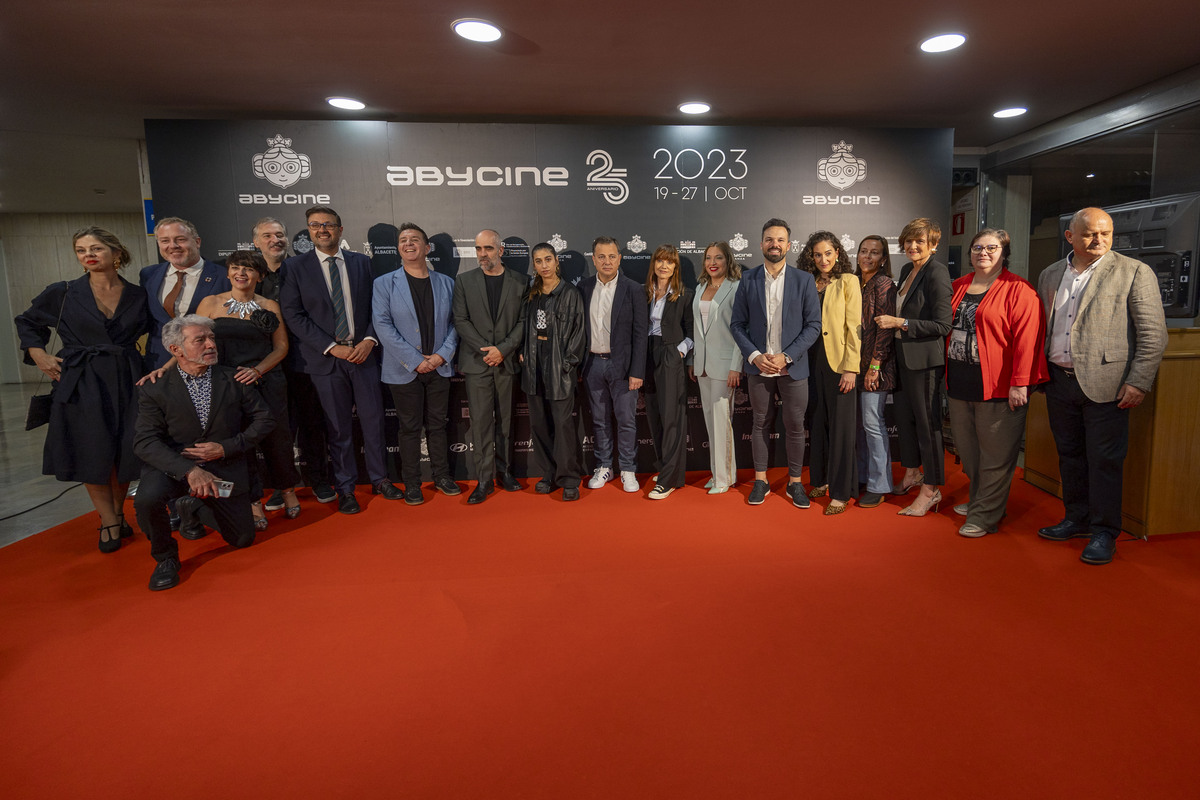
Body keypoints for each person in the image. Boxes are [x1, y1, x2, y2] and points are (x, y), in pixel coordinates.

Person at [1035, 207, 1167, 564]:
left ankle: (1104, 532)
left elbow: (1154, 334)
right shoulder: (1050, 274)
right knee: (1070, 457)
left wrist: (1138, 381)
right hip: (1059, 382)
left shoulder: (1133, 272)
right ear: (1070, 236)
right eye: (1091, 233)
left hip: (1108, 386)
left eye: (1106, 234)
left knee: (1105, 461)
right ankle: (1076, 518)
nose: (1099, 240)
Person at [15, 227, 151, 552]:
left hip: (128, 376)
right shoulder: (62, 292)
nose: (87, 254)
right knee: (92, 450)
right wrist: (39, 354)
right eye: (80, 250)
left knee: (124, 451)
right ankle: (108, 521)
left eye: (96, 248)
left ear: (116, 254)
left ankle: (118, 514)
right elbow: (27, 321)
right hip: (79, 378)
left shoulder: (138, 294)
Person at [133, 315, 274, 591]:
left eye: (211, 338)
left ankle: (192, 506)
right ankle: (165, 558)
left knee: (243, 538)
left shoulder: (234, 377)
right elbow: (145, 442)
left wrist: (227, 447)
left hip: (223, 464)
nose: (211, 344)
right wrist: (189, 471)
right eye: (200, 340)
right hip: (175, 467)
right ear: (176, 350)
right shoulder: (155, 387)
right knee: (147, 499)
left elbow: (265, 420)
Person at [279, 205, 402, 514]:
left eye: (329, 225)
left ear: (340, 230)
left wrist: (370, 339)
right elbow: (293, 315)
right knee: (338, 428)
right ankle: (345, 487)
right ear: (309, 231)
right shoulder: (295, 267)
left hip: (363, 355)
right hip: (325, 360)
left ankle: (380, 478)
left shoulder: (363, 263)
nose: (323, 230)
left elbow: (379, 307)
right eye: (316, 225)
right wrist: (331, 347)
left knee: (374, 422)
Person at [947, 229, 1049, 537]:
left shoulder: (1020, 290)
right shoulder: (959, 285)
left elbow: (1028, 341)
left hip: (999, 386)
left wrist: (1020, 383)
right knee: (970, 450)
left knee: (996, 456)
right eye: (978, 247)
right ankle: (981, 499)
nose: (984, 253)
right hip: (960, 383)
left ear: (1004, 253)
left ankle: (985, 515)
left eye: (992, 248)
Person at [194, 251, 301, 527]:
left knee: (278, 439)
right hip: (227, 385)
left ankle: (287, 490)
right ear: (228, 272)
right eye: (236, 267)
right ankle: (253, 502)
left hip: (266, 380)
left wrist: (257, 371)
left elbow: (281, 348)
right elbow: (192, 342)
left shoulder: (270, 305)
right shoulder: (209, 303)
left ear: (260, 276)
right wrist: (168, 367)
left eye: (249, 269)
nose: (242, 273)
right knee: (240, 445)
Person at [730, 218, 822, 508]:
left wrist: (786, 356)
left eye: (780, 240)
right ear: (761, 244)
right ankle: (761, 480)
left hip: (793, 367)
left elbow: (814, 326)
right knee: (759, 423)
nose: (775, 244)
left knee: (795, 425)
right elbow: (736, 325)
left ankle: (795, 483)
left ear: (789, 245)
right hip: (759, 366)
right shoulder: (748, 279)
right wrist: (756, 357)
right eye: (770, 239)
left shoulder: (804, 279)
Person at [373, 222, 461, 505]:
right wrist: (414, 360)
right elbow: (382, 325)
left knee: (437, 425)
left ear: (427, 248)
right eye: (403, 240)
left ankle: (442, 476)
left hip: (439, 366)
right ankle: (412, 483)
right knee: (409, 428)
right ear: (398, 248)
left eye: (414, 239)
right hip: (403, 369)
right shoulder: (384, 283)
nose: (408, 244)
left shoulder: (447, 283)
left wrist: (440, 356)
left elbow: (456, 324)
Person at [252, 217, 335, 507]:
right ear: (256, 242)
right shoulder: (249, 276)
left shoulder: (304, 268)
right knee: (276, 429)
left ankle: (319, 480)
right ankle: (282, 484)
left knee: (313, 424)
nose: (275, 240)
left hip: (305, 360)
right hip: (267, 365)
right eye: (267, 235)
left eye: (279, 235)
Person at [875, 217, 953, 516]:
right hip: (902, 358)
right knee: (905, 420)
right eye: (909, 241)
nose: (913, 246)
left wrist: (901, 322)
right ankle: (911, 472)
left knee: (928, 426)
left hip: (924, 363)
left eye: (920, 241)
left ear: (933, 245)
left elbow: (943, 325)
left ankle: (931, 488)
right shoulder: (908, 270)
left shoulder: (937, 272)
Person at [451, 229, 527, 504]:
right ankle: (484, 479)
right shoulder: (464, 281)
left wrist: (503, 350)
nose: (483, 254)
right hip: (477, 362)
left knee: (506, 421)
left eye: (488, 249)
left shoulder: (521, 282)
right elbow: (460, 320)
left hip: (506, 363)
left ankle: (505, 472)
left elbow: (523, 322)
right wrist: (487, 350)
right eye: (479, 249)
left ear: (500, 250)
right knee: (482, 424)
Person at [798, 231, 862, 515]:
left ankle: (840, 492)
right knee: (818, 421)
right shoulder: (805, 282)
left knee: (841, 428)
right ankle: (821, 479)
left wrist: (851, 367)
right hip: (809, 362)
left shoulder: (849, 281)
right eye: (817, 254)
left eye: (828, 253)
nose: (823, 259)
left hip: (839, 363)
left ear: (838, 252)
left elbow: (854, 328)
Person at [580, 236, 649, 493]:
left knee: (627, 420)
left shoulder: (633, 289)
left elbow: (640, 334)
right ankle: (604, 466)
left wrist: (636, 371)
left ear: (619, 258)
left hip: (623, 368)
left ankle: (628, 469)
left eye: (611, 256)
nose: (607, 261)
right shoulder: (584, 288)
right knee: (599, 420)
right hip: (592, 365)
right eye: (601, 256)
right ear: (594, 258)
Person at [519, 243, 587, 500]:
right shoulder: (532, 292)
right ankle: (548, 473)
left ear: (557, 261)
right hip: (534, 366)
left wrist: (568, 364)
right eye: (538, 261)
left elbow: (579, 333)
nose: (544, 265)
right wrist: (525, 351)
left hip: (560, 366)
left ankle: (568, 477)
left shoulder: (570, 292)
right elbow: (526, 328)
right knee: (539, 423)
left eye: (548, 259)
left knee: (562, 425)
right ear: (534, 265)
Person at [140, 217, 230, 370]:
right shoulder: (148, 275)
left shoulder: (225, 276)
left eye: (180, 239)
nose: (173, 246)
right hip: (159, 363)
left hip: (209, 363)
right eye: (165, 241)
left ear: (197, 242)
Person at [689, 242, 742, 495]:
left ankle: (725, 477)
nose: (713, 262)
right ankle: (717, 473)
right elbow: (697, 330)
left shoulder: (736, 288)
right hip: (703, 366)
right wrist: (693, 360)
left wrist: (736, 366)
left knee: (722, 422)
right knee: (711, 422)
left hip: (725, 366)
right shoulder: (701, 287)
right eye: (709, 257)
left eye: (718, 257)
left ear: (727, 260)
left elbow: (741, 331)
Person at [642, 245, 694, 500]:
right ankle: (666, 467)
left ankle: (669, 479)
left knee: (672, 417)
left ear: (675, 267)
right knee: (654, 414)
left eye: (669, 262)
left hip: (670, 353)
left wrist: (680, 352)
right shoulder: (644, 292)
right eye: (660, 261)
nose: (664, 265)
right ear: (653, 264)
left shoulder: (685, 295)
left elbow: (692, 330)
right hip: (647, 355)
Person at [854, 235, 897, 509]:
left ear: (883, 259)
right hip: (854, 365)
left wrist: (875, 365)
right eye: (863, 251)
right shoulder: (855, 282)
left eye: (874, 253)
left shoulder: (883, 284)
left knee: (872, 423)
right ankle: (863, 476)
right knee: (860, 426)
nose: (867, 257)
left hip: (875, 367)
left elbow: (884, 327)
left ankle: (880, 484)